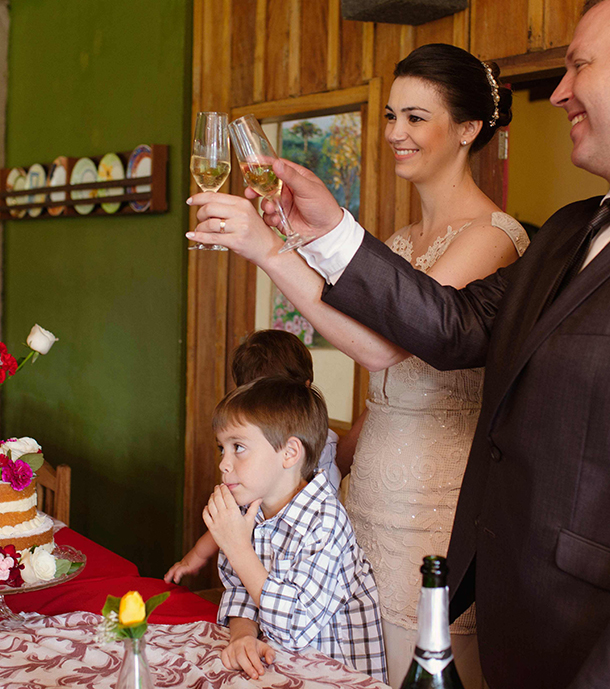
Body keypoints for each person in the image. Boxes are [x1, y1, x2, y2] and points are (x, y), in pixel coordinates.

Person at [190, 0, 610, 688]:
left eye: (579, 64)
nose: (556, 92)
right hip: (510, 619)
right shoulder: (563, 232)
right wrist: (330, 231)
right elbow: (451, 325)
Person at [189, 43, 524, 687]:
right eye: (392, 115)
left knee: (423, 663)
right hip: (366, 491)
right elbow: (361, 355)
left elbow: (388, 350)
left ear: (468, 129)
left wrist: (268, 250)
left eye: (417, 118)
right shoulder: (397, 244)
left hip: (435, 500)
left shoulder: (492, 238)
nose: (396, 132)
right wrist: (284, 245)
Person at [205, 376, 386, 681]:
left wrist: (238, 547)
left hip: (332, 676)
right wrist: (242, 636)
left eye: (238, 447)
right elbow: (239, 589)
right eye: (221, 448)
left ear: (289, 453)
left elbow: (295, 627)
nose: (224, 463)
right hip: (278, 667)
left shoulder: (324, 520)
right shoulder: (247, 509)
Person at [165, 329, 341, 583]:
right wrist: (196, 556)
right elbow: (231, 516)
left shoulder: (323, 510)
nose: (224, 464)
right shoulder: (249, 471)